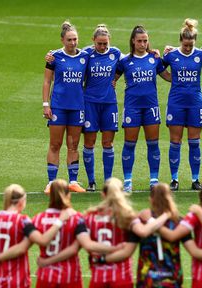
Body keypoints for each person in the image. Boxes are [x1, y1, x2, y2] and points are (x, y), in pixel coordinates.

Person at [162, 19, 202, 191]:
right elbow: (157, 67)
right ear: (180, 42)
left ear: (195, 42)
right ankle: (174, 179)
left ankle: (195, 179)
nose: (188, 48)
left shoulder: (201, 55)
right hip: (176, 103)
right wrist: (171, 78)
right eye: (185, 45)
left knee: (194, 142)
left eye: (191, 45)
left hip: (195, 103)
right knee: (175, 142)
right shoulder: (171, 55)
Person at [114, 25, 170, 193]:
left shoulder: (154, 59)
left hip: (151, 107)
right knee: (129, 144)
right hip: (132, 108)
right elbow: (113, 80)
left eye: (145, 41)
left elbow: (167, 76)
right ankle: (128, 181)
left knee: (153, 144)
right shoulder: (124, 61)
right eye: (139, 41)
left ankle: (154, 180)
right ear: (133, 41)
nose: (143, 44)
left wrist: (184, 76)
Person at [42, 21, 89, 194]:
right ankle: (51, 183)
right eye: (69, 39)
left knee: (73, 144)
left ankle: (73, 182)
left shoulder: (85, 56)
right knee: (55, 144)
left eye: (75, 39)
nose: (73, 42)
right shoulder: (54, 58)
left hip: (77, 107)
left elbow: (102, 51)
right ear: (62, 40)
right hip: (58, 107)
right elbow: (47, 81)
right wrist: (46, 104)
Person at [81, 25, 121, 191]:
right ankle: (91, 181)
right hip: (90, 103)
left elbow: (132, 60)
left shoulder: (116, 53)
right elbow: (69, 57)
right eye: (100, 44)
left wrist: (116, 78)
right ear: (93, 41)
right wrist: (51, 56)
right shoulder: (86, 54)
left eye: (106, 43)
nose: (103, 47)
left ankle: (108, 182)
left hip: (109, 104)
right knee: (89, 143)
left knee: (107, 142)